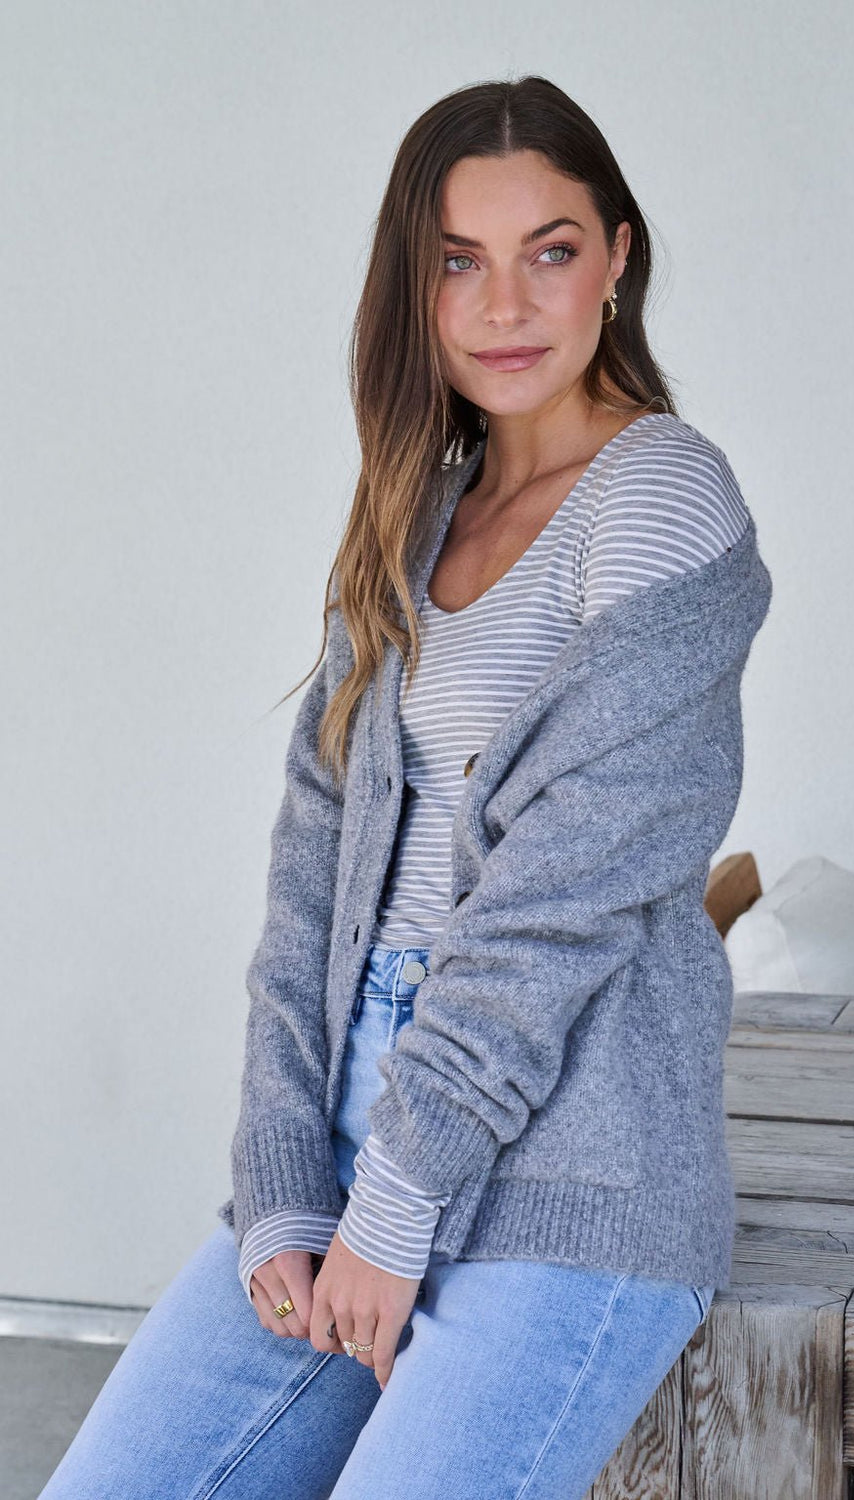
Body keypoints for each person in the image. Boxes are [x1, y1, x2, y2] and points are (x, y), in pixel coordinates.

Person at [40, 74, 772, 1499]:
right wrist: (279, 1182)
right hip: (351, 1130)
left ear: (619, 258)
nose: (506, 305)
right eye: (459, 262)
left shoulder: (665, 501)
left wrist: (395, 1198)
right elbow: (310, 875)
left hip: (576, 1175)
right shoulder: (413, 506)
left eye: (549, 250)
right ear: (415, 287)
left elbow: (560, 908)